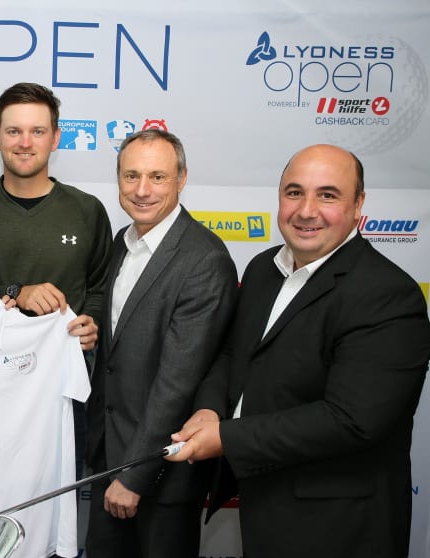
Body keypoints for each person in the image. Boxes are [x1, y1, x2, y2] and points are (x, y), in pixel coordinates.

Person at [167, 144, 430, 557]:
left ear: (359, 204)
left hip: (339, 528)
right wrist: (208, 408)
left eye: (328, 195)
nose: (306, 211)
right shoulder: (262, 269)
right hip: (263, 507)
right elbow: (235, 354)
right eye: (294, 192)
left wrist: (226, 437)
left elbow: (352, 420)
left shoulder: (389, 295)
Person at [84, 129, 237, 558]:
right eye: (131, 176)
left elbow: (178, 381)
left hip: (160, 473)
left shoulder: (205, 259)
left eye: (157, 176)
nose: (142, 190)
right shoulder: (123, 242)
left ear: (181, 179)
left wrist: (134, 475)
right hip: (109, 457)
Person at [0, 81, 111, 353]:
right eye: (14, 131)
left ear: (55, 139)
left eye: (38, 131)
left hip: (64, 368)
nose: (25, 143)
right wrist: (16, 293)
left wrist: (91, 321)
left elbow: (101, 289)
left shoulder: (88, 210)